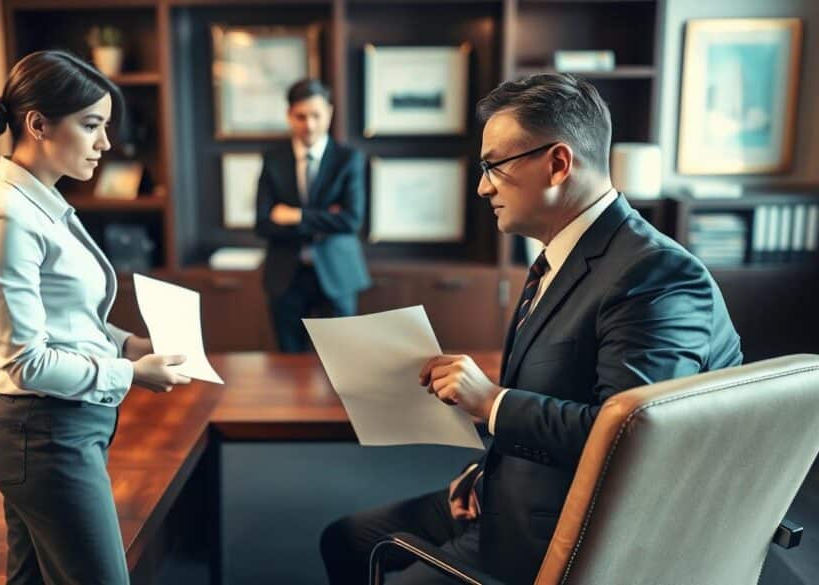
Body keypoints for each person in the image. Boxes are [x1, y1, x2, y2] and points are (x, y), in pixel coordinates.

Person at [319, 73, 743, 585]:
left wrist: (491, 402)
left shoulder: (656, 276)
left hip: (567, 536)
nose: (482, 185)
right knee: (344, 538)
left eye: (493, 165)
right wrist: (484, 472)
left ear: (558, 164)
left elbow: (633, 444)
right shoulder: (562, 254)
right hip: (507, 489)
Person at [0, 50, 190, 584]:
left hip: (60, 429)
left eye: (105, 127)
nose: (106, 144)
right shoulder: (7, 217)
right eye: (91, 126)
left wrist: (127, 343)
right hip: (42, 434)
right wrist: (130, 374)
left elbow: (64, 316)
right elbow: (27, 362)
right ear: (38, 124)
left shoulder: (42, 204)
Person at [255, 78, 370, 353]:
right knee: (289, 364)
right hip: (286, 275)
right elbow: (262, 224)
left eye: (316, 115)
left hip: (336, 273)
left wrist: (295, 216)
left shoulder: (348, 159)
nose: (309, 125)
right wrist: (326, 218)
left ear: (329, 113)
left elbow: (352, 220)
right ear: (288, 116)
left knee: (343, 361)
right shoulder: (273, 159)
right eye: (301, 116)